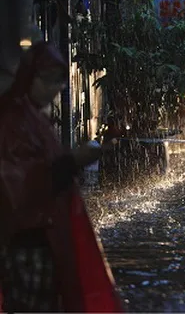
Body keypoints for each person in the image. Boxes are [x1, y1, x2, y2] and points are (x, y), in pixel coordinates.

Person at [0, 41, 121, 312]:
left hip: (45, 235)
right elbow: (21, 184)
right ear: (32, 77)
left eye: (61, 81)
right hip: (27, 241)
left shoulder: (33, 116)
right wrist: (74, 161)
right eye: (51, 81)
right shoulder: (13, 119)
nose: (58, 89)